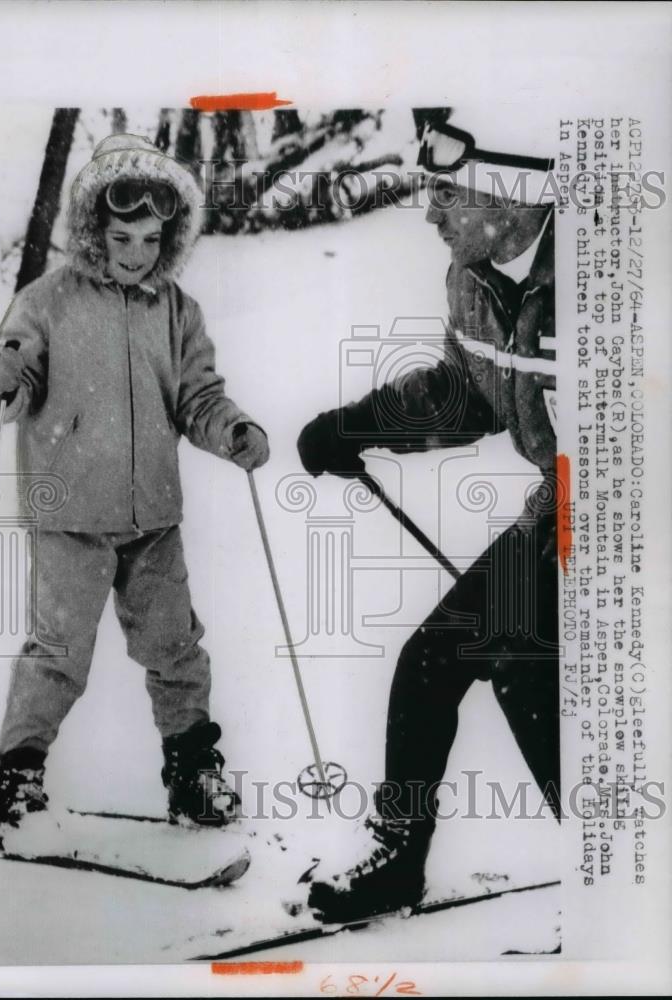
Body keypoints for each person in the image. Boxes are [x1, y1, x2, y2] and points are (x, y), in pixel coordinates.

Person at [296, 115, 560, 922]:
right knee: (432, 662)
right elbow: (466, 395)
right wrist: (358, 427)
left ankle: (625, 870)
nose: (432, 213)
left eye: (448, 192)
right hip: (556, 521)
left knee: (527, 670)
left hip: (631, 540)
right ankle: (398, 855)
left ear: (514, 191)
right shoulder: (472, 279)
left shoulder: (613, 274)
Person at [0, 133, 269, 849]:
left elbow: (198, 395)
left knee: (176, 648)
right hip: (67, 508)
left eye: (150, 237)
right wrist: (1, 382)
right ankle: (16, 781)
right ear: (90, 230)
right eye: (119, 236)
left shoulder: (177, 310)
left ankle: (194, 772)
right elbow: (16, 374)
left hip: (151, 516)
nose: (135, 251)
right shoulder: (46, 300)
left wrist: (229, 429)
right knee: (59, 652)